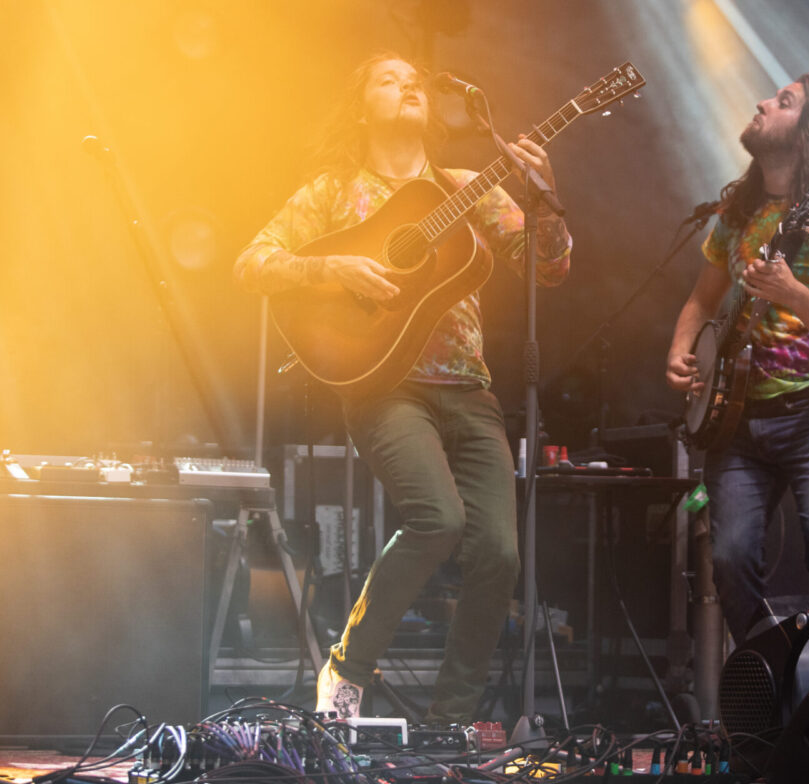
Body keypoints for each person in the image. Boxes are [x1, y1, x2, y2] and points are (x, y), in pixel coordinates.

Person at [233, 52, 571, 723]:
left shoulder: (469, 185)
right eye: (387, 79)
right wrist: (334, 270)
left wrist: (548, 194)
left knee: (499, 553)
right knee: (438, 519)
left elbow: (550, 268)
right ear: (362, 107)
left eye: (414, 78)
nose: (407, 83)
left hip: (470, 388)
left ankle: (452, 720)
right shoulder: (334, 189)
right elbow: (252, 264)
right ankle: (348, 667)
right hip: (384, 386)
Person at [665, 74, 809, 645]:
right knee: (731, 556)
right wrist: (680, 348)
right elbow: (701, 298)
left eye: (783, 102)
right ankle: (769, 690)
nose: (763, 102)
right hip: (734, 421)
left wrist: (794, 295)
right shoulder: (738, 214)